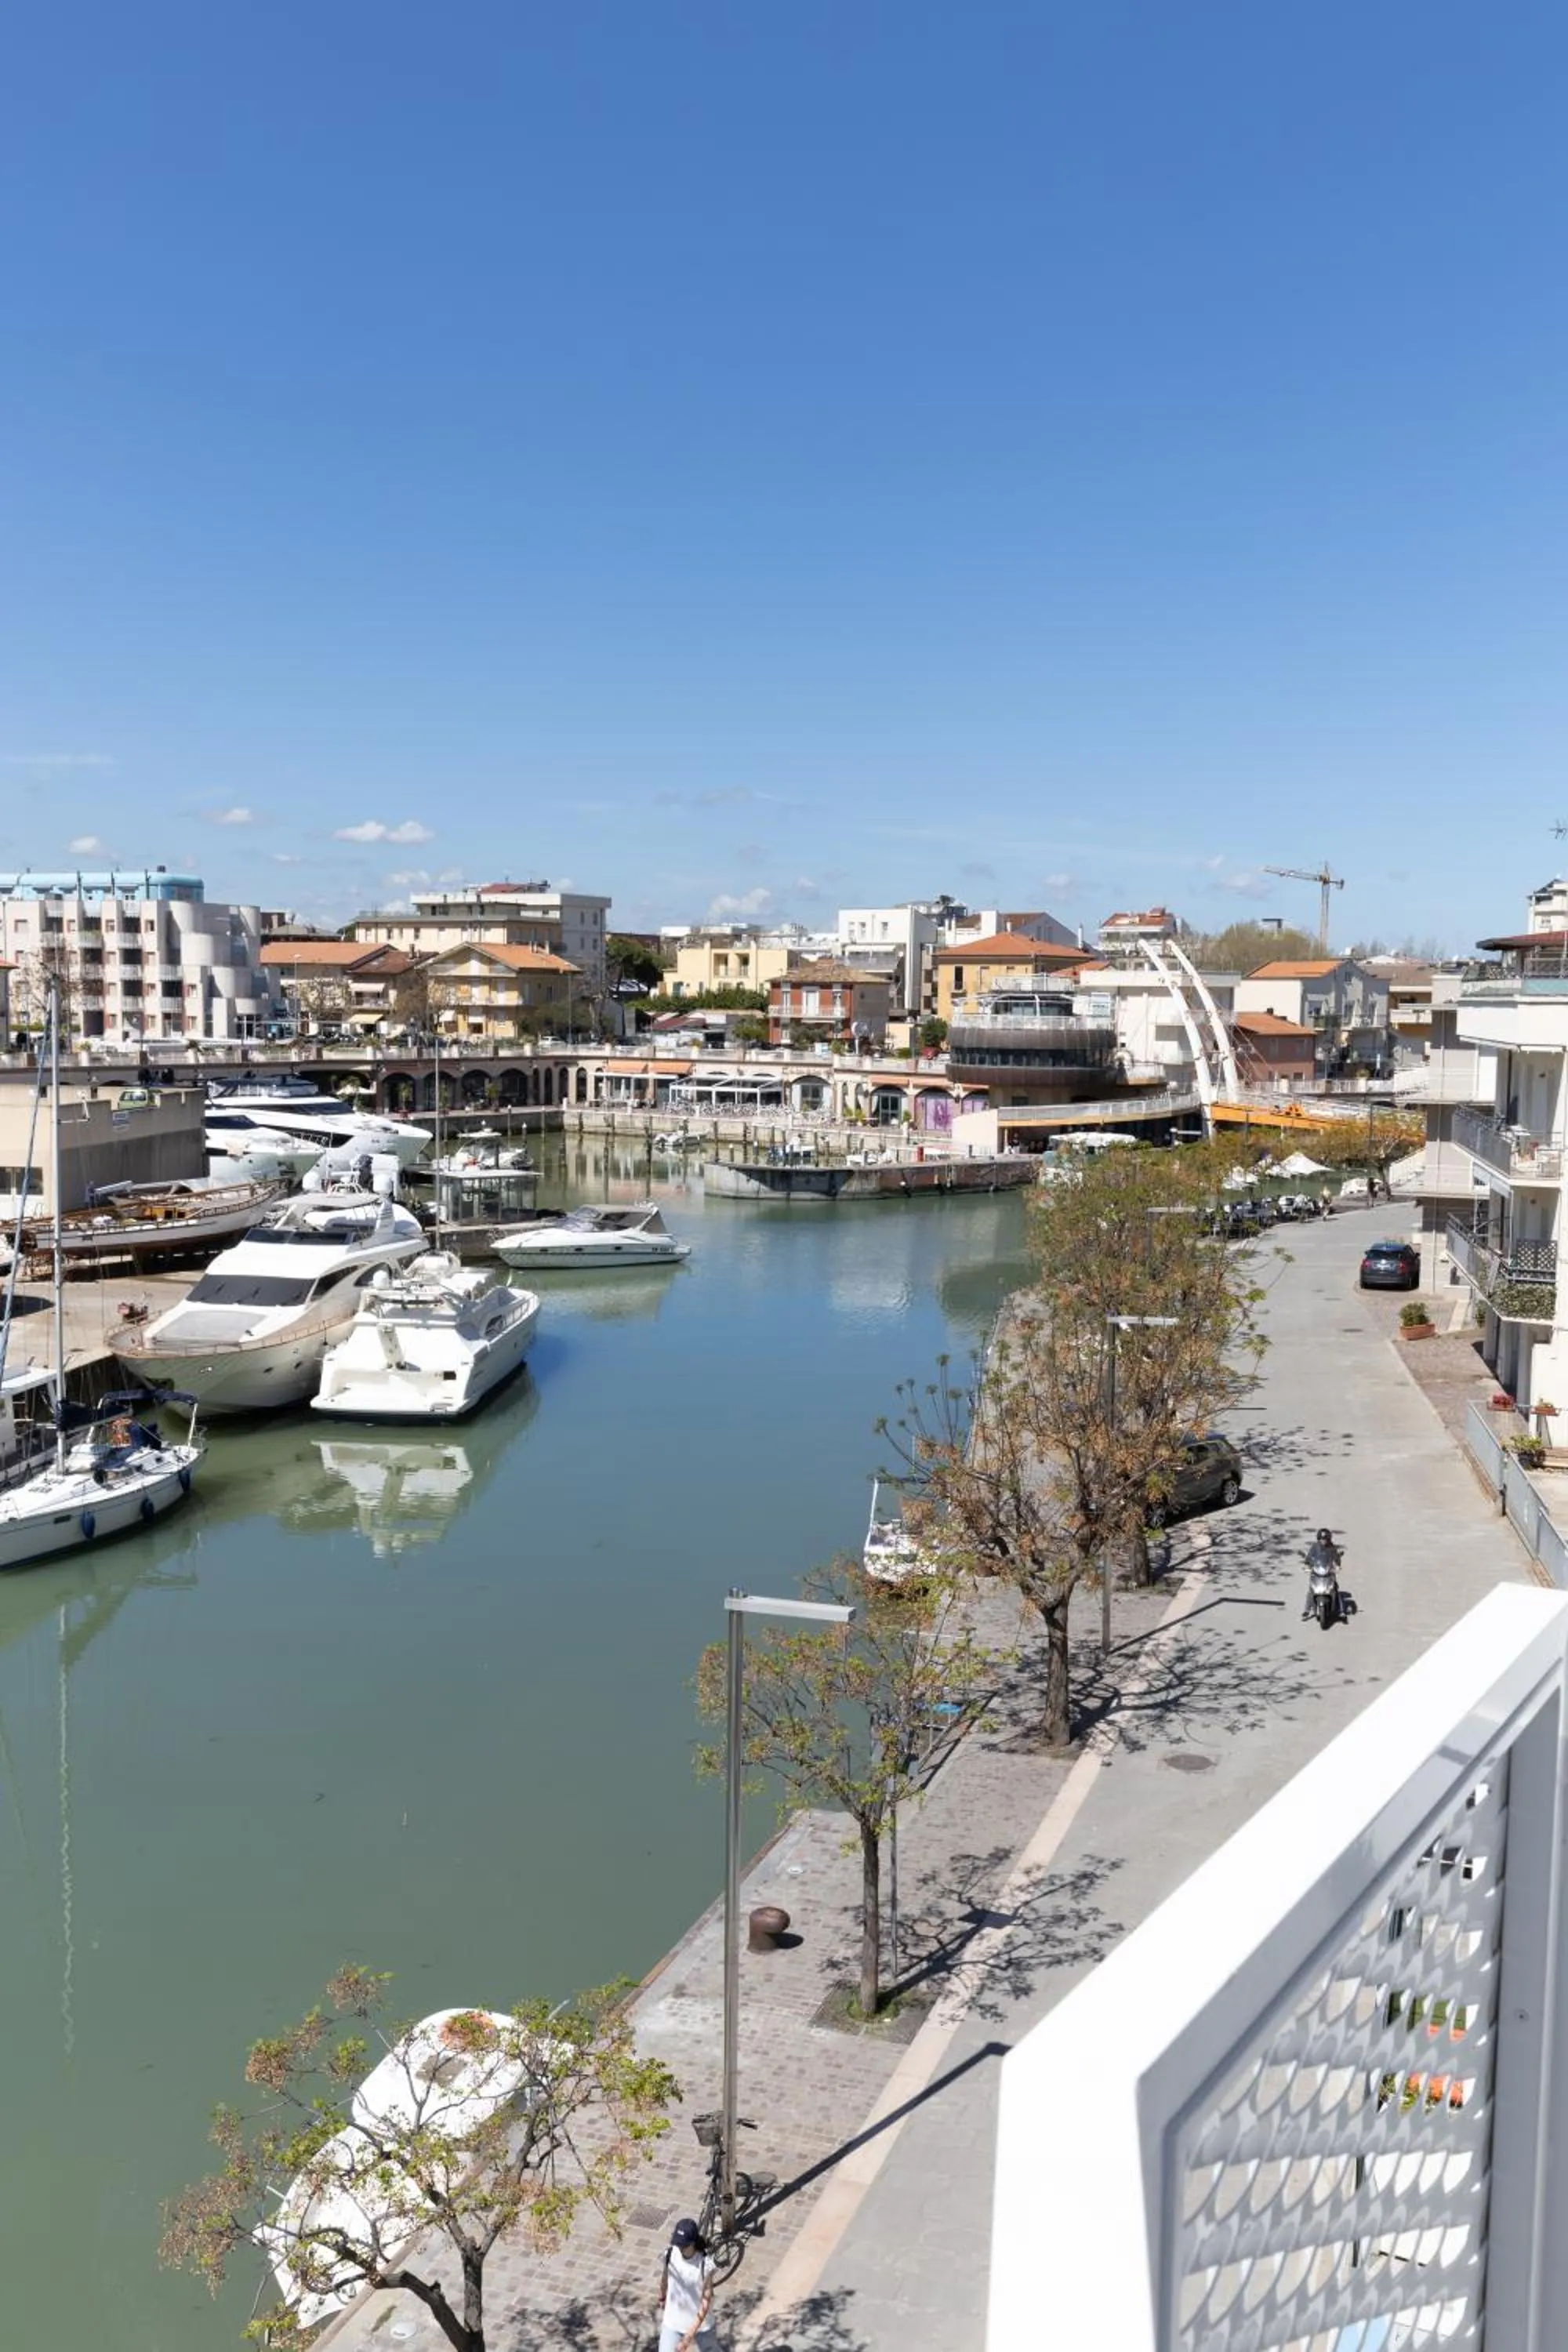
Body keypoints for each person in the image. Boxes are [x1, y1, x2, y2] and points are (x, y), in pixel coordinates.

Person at [656, 2218, 716, 2352]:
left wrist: (688, 2337)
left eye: (684, 2246)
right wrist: (661, 2297)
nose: (680, 2248)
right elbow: (664, 2279)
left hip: (702, 2326)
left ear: (693, 2243)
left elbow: (705, 2303)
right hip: (673, 2323)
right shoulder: (670, 2254)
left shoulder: (705, 2265)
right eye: (678, 2244)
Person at [1303, 1527, 1342, 1620]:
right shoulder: (1314, 1547)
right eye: (1322, 1539)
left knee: (1336, 1590)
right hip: (1317, 1572)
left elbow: (1337, 1558)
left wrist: (1337, 1566)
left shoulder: (1332, 1547)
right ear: (1318, 1539)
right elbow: (1309, 1557)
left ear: (1329, 1539)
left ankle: (1341, 1610)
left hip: (1329, 1572)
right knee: (1311, 1590)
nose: (1323, 1541)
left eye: (1325, 1539)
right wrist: (1307, 1564)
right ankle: (1307, 1610)